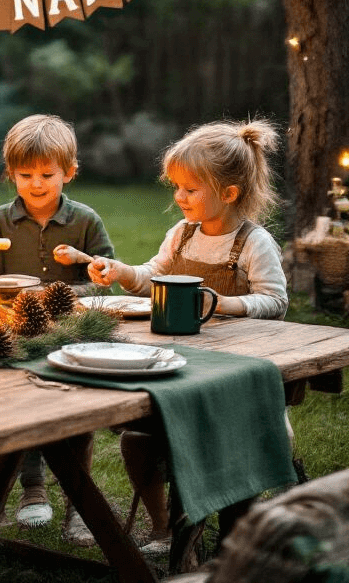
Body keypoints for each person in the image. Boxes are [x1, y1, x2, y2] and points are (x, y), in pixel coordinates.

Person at [87, 118, 288, 555]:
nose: (178, 197)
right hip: (180, 366)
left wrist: (222, 304)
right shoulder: (181, 235)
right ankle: (164, 526)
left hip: (236, 375)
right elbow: (150, 276)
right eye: (175, 186)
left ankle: (232, 539)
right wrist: (120, 272)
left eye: (189, 189)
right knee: (136, 440)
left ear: (228, 193)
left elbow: (275, 302)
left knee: (236, 444)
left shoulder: (254, 243)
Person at [0, 114, 115, 547]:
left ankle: (79, 505)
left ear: (69, 172)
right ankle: (29, 486)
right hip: (12, 330)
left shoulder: (85, 220)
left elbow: (106, 274)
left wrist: (79, 285)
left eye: (47, 175)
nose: (36, 184)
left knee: (72, 414)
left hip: (68, 331)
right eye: (25, 175)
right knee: (14, 406)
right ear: (10, 174)